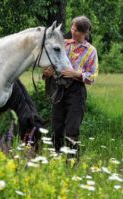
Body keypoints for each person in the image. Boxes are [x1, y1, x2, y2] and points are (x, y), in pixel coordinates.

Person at [43, 16, 99, 160]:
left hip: (77, 92)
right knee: (56, 127)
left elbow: (92, 77)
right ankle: (56, 158)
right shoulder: (64, 44)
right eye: (72, 28)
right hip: (59, 89)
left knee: (72, 129)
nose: (73, 31)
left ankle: (72, 163)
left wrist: (76, 74)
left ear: (85, 32)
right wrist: (47, 73)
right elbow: (51, 64)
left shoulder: (91, 51)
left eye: (77, 30)